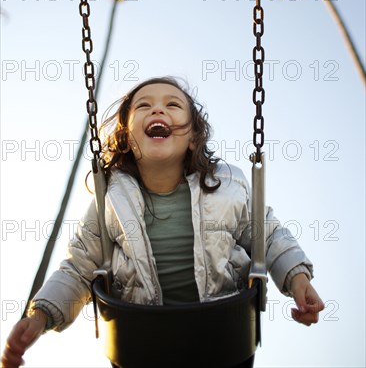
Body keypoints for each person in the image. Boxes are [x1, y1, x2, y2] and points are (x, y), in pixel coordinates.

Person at [1, 76, 324, 368]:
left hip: (222, 335)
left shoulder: (228, 185)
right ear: (127, 138)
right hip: (140, 340)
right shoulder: (110, 199)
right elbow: (80, 267)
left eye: (172, 104)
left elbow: (267, 235)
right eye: (144, 105)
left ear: (194, 138)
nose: (158, 110)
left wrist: (296, 277)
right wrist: (41, 314)